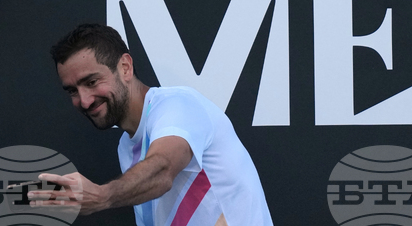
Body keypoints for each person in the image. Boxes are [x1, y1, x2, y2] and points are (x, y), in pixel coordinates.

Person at [29, 23, 274, 225]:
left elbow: (163, 168)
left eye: (91, 82)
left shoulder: (177, 105)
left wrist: (103, 196)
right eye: (72, 90)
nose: (84, 100)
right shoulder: (126, 147)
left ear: (125, 67)